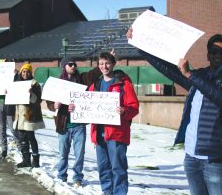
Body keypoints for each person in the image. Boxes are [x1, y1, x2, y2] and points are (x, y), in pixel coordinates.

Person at [127, 28, 222, 195]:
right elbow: (169, 69)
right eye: (214, 51)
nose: (217, 55)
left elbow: (217, 96)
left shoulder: (197, 78)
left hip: (214, 160)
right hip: (191, 157)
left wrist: (189, 75)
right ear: (208, 55)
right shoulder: (200, 76)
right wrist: (140, 46)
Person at [87, 52, 139, 195]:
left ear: (113, 64)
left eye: (107, 63)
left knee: (118, 168)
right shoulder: (96, 84)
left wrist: (124, 111)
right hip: (98, 133)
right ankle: (107, 192)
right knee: (103, 168)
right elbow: (85, 104)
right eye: (101, 63)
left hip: (117, 134)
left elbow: (134, 107)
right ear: (98, 66)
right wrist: (75, 108)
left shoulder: (123, 82)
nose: (105, 66)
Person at [47, 56, 102, 188]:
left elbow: (93, 74)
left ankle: (77, 177)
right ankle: (62, 176)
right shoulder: (58, 83)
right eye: (70, 64)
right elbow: (49, 102)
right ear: (64, 66)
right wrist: (54, 105)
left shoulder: (82, 79)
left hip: (79, 125)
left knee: (79, 155)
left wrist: (108, 60)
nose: (73, 66)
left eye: (74, 64)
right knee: (63, 154)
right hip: (63, 125)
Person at [13, 63, 45, 168]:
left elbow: (39, 100)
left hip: (29, 115)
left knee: (31, 137)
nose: (25, 73)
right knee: (22, 138)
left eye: (27, 71)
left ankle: (35, 161)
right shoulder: (17, 83)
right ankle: (26, 160)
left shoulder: (35, 84)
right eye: (23, 71)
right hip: (20, 116)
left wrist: (31, 94)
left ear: (31, 73)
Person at [0, 67, 23, 159]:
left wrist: (16, 75)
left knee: (12, 127)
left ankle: (20, 148)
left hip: (9, 103)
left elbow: (20, 85)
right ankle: (4, 149)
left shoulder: (15, 76)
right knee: (1, 127)